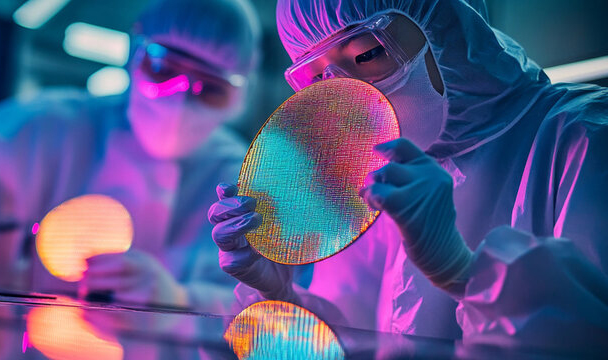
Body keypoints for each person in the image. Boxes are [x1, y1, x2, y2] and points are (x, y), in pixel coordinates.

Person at [209, 0, 608, 348]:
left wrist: (462, 273)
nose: (350, 97)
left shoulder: (583, 139)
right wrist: (277, 296)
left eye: (367, 54)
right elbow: (353, 343)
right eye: (318, 79)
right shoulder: (367, 182)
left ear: (446, 25)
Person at [0, 0, 262, 313]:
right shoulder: (44, 128)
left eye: (209, 88)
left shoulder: (240, 179)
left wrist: (177, 301)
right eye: (162, 69)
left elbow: (273, 307)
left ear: (239, 96)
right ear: (133, 54)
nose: (179, 99)